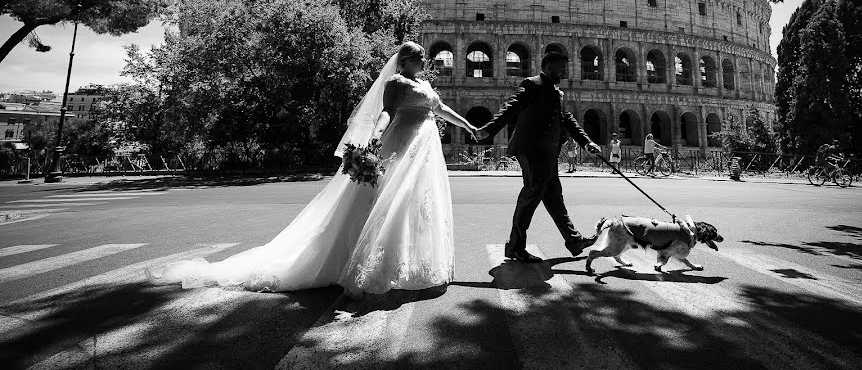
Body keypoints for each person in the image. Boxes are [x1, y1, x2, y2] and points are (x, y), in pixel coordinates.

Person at [147, 42, 478, 296]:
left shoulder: (423, 83)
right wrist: (374, 139)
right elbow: (387, 113)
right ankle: (370, 265)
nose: (426, 62)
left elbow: (442, 108)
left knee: (418, 206)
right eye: (420, 58)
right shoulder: (395, 82)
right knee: (391, 204)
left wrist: (469, 127)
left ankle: (413, 263)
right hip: (401, 149)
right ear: (406, 60)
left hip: (424, 154)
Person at [475, 51, 602, 263]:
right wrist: (490, 129)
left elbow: (567, 120)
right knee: (531, 196)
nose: (565, 71)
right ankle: (516, 247)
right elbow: (512, 107)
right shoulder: (532, 84)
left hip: (548, 153)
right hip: (532, 150)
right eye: (561, 67)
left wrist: (586, 142)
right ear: (549, 66)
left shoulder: (557, 93)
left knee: (554, 197)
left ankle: (573, 240)